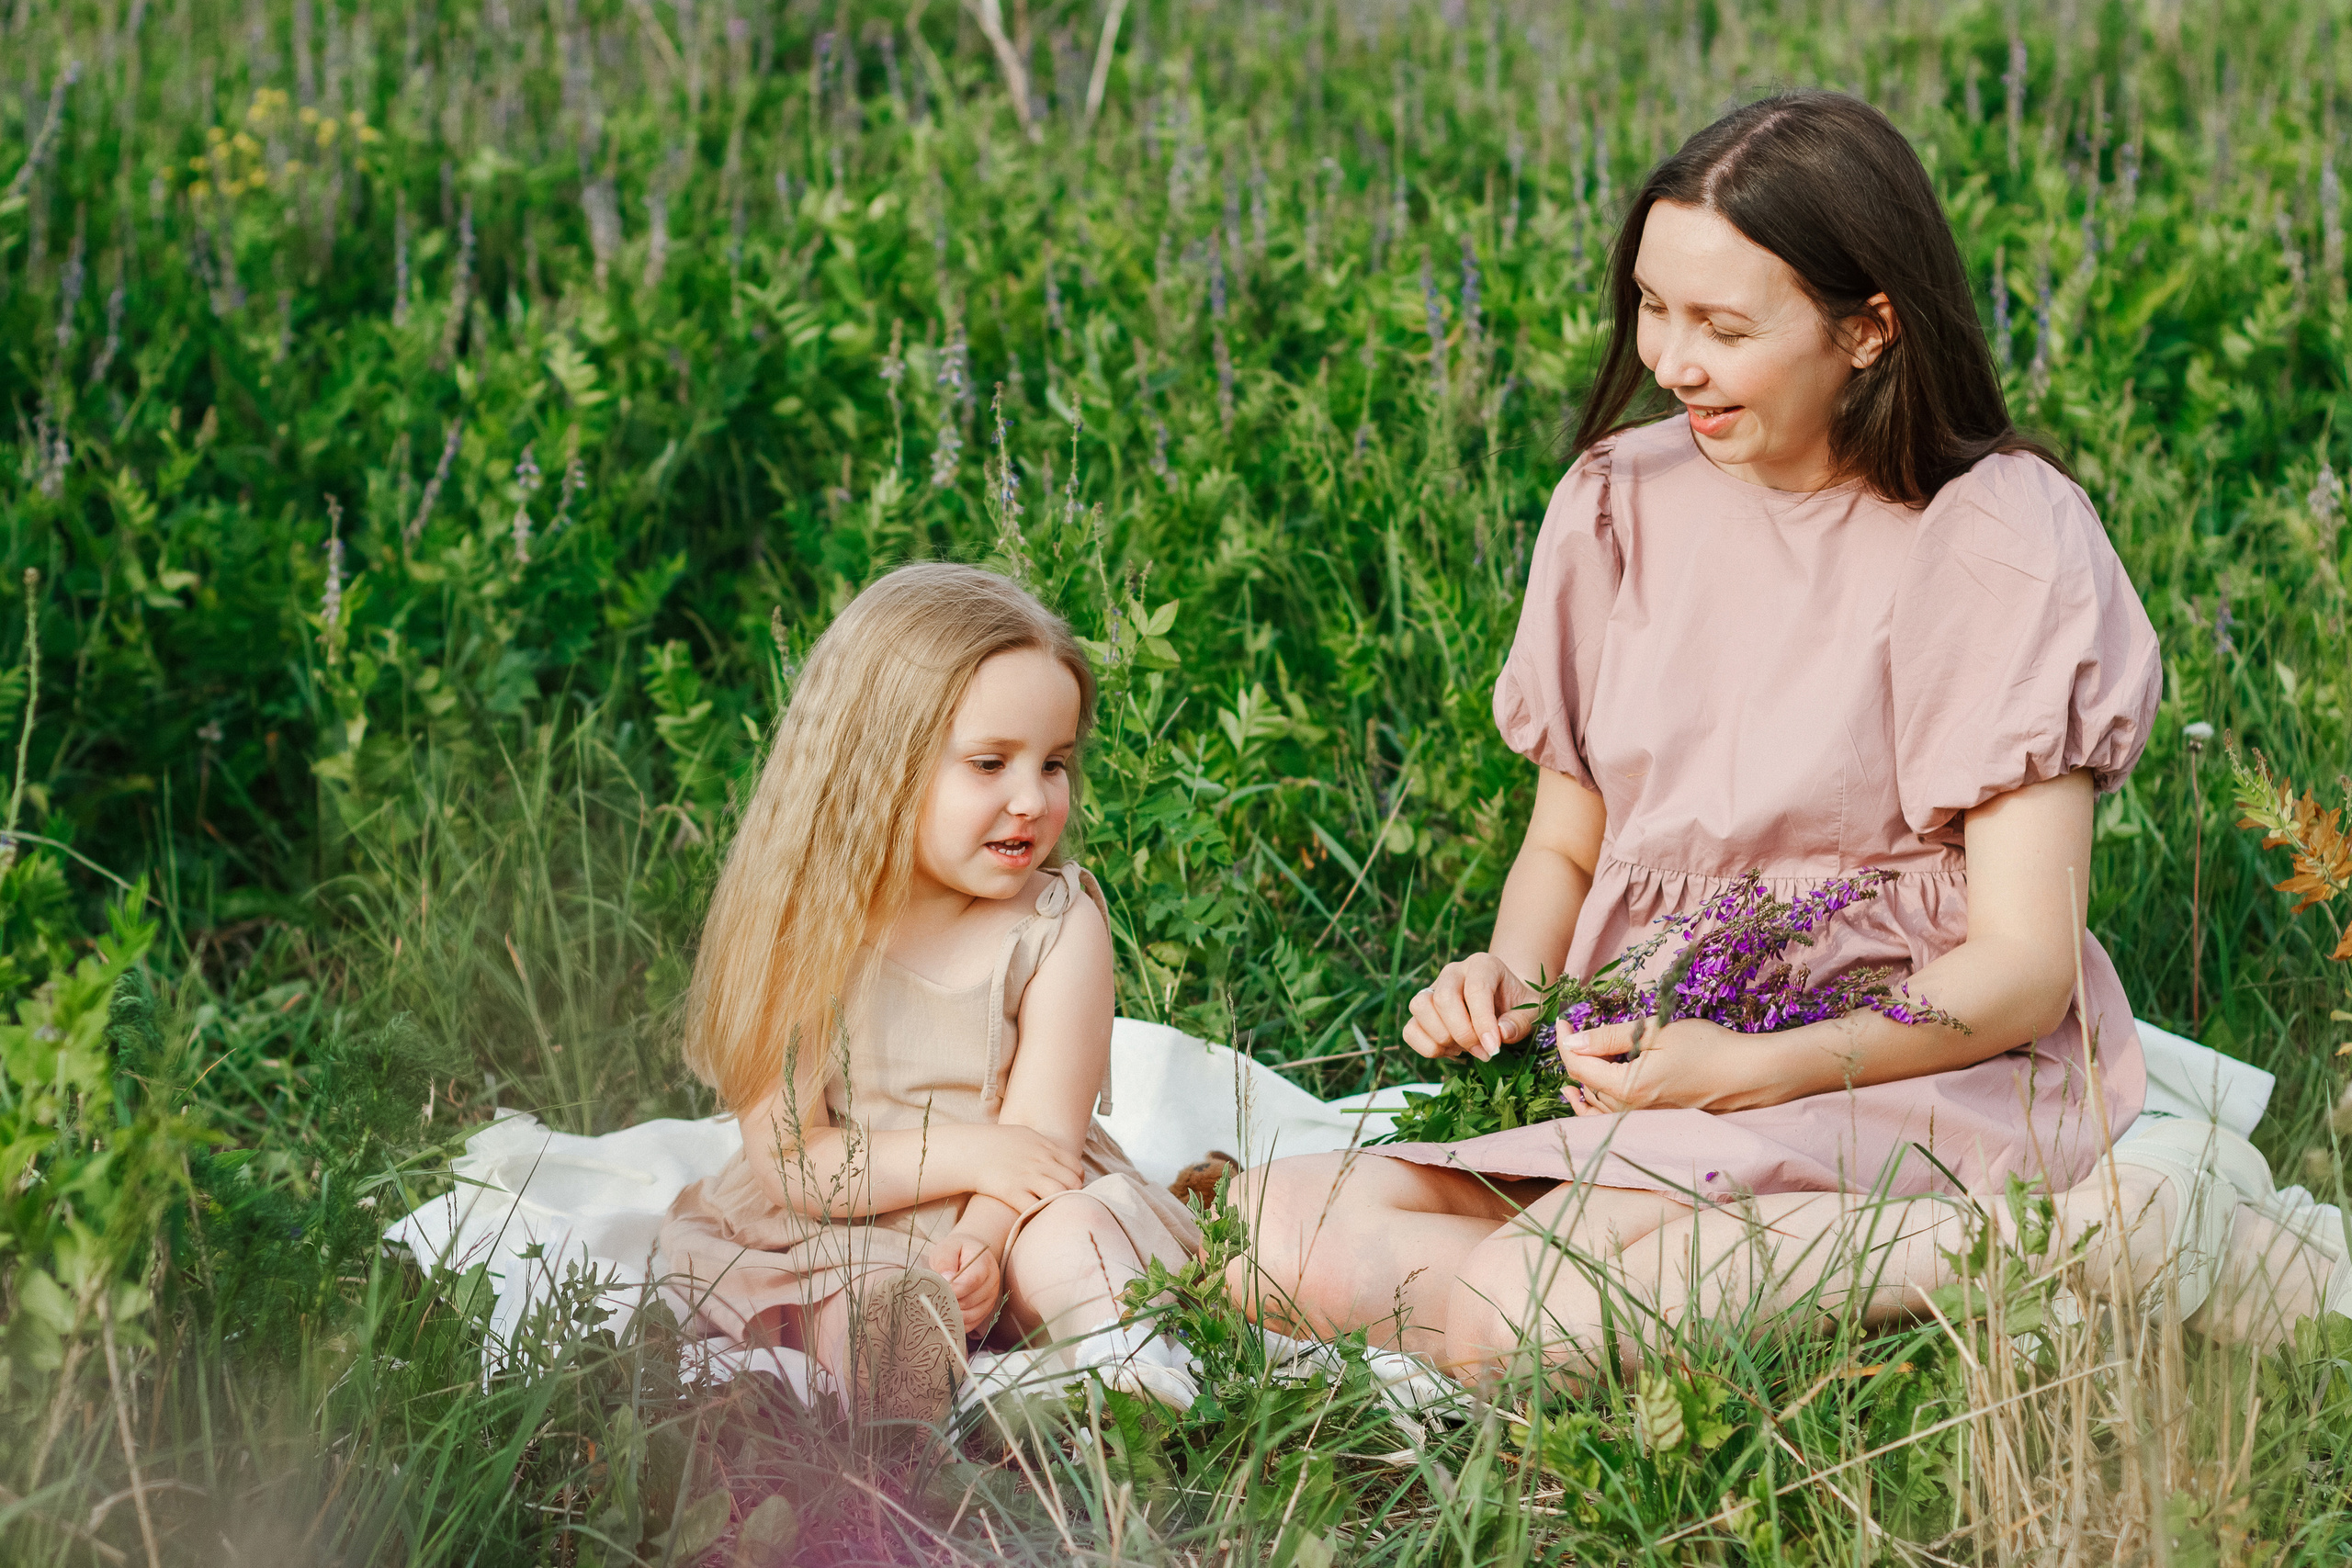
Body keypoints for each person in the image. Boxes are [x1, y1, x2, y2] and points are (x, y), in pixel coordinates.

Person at [1230, 91, 2345, 1383]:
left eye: (1721, 326)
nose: (1670, 360)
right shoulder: (1619, 500)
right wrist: (1510, 978)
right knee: (1266, 1229)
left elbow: (2025, 970)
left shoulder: (1996, 536)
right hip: (1655, 1052)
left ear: (1868, 328)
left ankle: (2067, 1242)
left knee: (1526, 1316)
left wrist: (1751, 1070)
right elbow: (1566, 844)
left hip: (1892, 1061)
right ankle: (1840, 1276)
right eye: (1654, 305)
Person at [656, 564, 1203, 1429]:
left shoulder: (1060, 925)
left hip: (1017, 1207)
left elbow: (1043, 1145)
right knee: (853, 1295)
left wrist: (982, 1238)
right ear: (879, 765)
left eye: (1055, 762)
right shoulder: (800, 923)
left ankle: (1126, 1362)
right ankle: (901, 1407)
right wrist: (974, 1157)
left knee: (1074, 1239)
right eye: (990, 763)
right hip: (836, 1208)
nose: (1032, 798)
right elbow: (796, 1159)